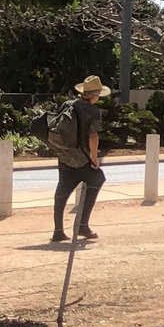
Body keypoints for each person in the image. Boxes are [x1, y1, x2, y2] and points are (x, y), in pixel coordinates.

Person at [51, 75, 108, 244]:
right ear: (95, 94)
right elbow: (93, 136)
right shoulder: (92, 111)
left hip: (65, 155)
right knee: (97, 178)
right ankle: (83, 225)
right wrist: (94, 158)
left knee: (61, 193)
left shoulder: (67, 105)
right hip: (82, 158)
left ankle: (58, 231)